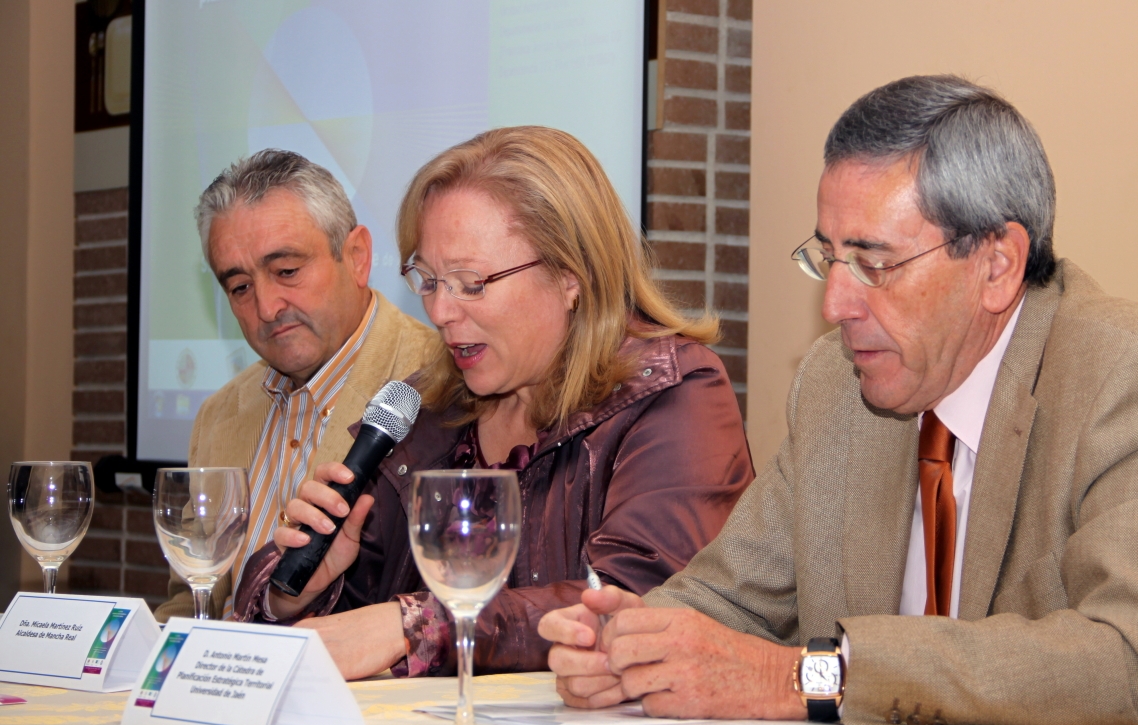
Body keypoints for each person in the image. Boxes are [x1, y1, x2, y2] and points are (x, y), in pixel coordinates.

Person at [540, 75, 1138, 725]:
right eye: (828, 257)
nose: (836, 305)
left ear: (998, 265)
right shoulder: (836, 385)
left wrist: (808, 678)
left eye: (873, 262)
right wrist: (628, 644)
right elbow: (726, 597)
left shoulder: (1127, 376)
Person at [231, 126, 755, 680]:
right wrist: (303, 591)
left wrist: (416, 626)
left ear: (569, 275)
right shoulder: (425, 411)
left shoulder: (672, 391)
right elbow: (347, 638)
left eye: (470, 282)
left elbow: (638, 599)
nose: (439, 312)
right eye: (428, 280)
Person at [154, 149, 440, 622]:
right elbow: (189, 602)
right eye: (240, 287)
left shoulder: (439, 385)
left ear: (357, 257)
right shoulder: (218, 415)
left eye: (286, 271)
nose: (266, 306)